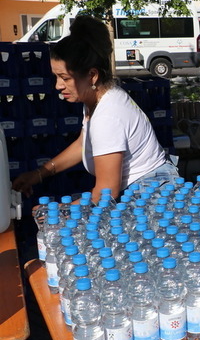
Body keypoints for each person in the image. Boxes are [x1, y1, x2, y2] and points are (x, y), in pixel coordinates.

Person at [12, 16, 179, 203]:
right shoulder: (99, 98)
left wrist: (60, 212)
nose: (57, 85)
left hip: (151, 194)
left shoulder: (107, 116)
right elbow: (83, 144)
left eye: (65, 78)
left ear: (92, 75)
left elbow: (106, 192)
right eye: (56, 77)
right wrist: (39, 174)